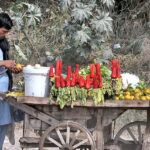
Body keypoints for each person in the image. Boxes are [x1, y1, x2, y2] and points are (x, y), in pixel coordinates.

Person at [0, 12, 22, 150]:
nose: (5, 35)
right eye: (3, 31)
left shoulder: (2, 43)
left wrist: (11, 68)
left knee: (3, 123)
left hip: (3, 90)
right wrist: (3, 63)